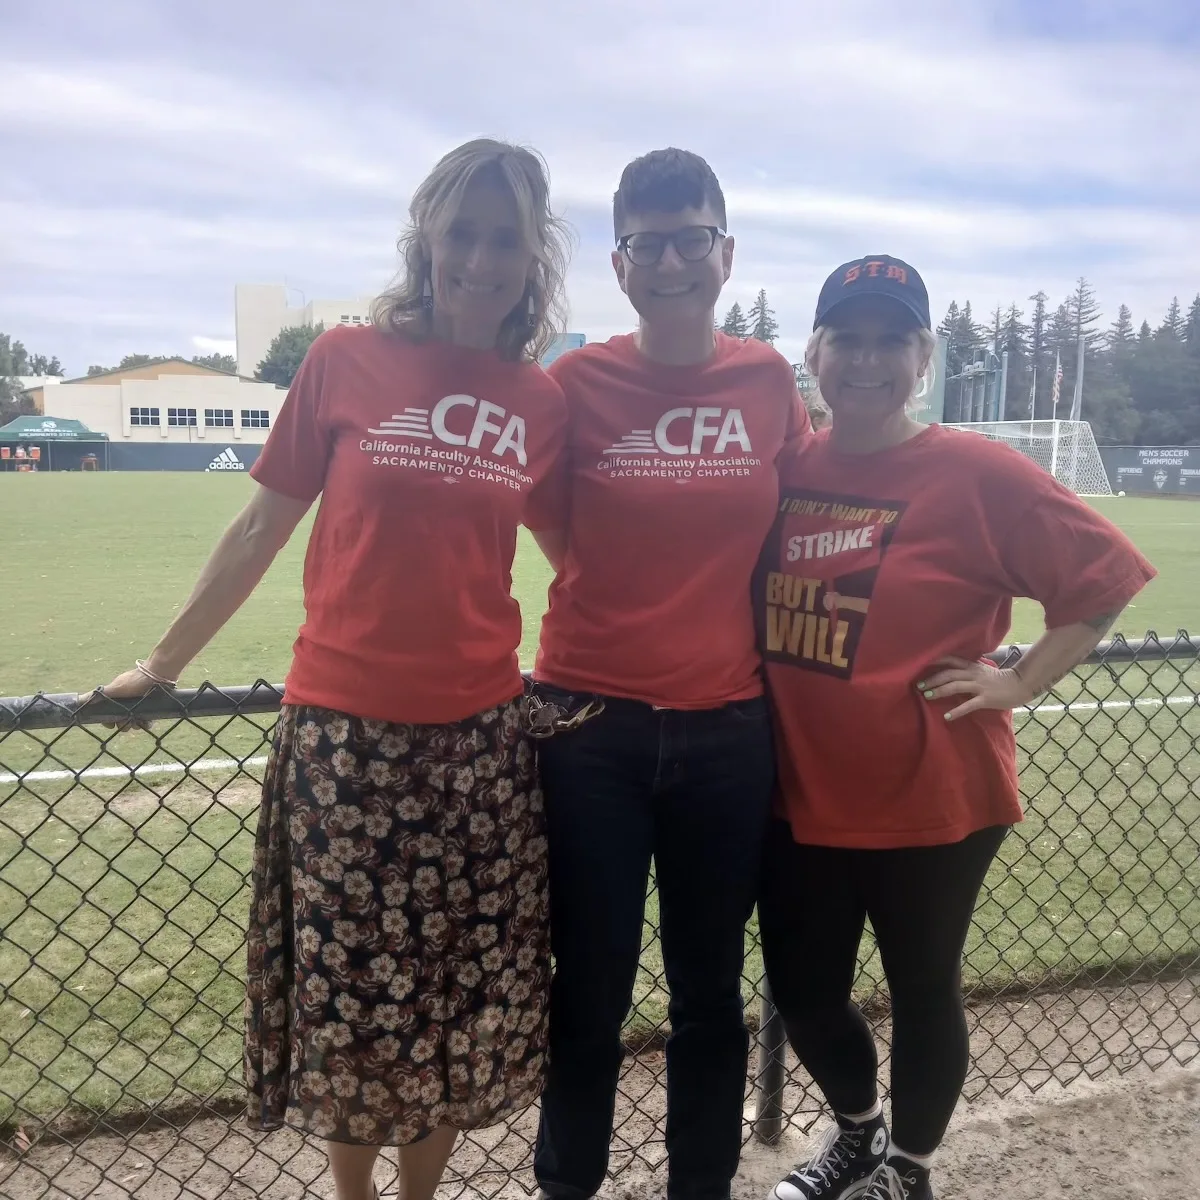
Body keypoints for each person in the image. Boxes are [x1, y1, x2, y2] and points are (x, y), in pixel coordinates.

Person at [89, 138, 572, 1200]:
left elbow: (583, 552)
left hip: (483, 750)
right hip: (345, 743)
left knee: (452, 1003)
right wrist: (162, 661)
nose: (481, 258)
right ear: (428, 240)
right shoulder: (345, 360)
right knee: (351, 1006)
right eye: (463, 234)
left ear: (535, 255)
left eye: (506, 238)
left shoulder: (538, 401)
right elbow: (262, 523)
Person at [754, 255, 1156, 1200]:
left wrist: (1019, 683)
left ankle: (910, 1170)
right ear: (813, 352)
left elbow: (1099, 585)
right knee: (806, 993)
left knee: (924, 988)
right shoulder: (781, 469)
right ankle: (857, 1136)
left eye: (891, 340)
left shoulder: (978, 472)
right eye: (845, 338)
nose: (866, 360)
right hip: (793, 791)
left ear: (923, 358)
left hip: (935, 793)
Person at [528, 148, 810, 1200]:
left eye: (694, 236)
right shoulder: (576, 383)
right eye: (651, 242)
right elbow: (550, 522)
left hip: (727, 732)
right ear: (621, 264)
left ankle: (701, 1187)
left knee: (707, 989)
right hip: (589, 728)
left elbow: (803, 511)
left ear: (724, 252)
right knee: (590, 988)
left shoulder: (768, 380)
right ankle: (570, 1186)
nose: (675, 259)